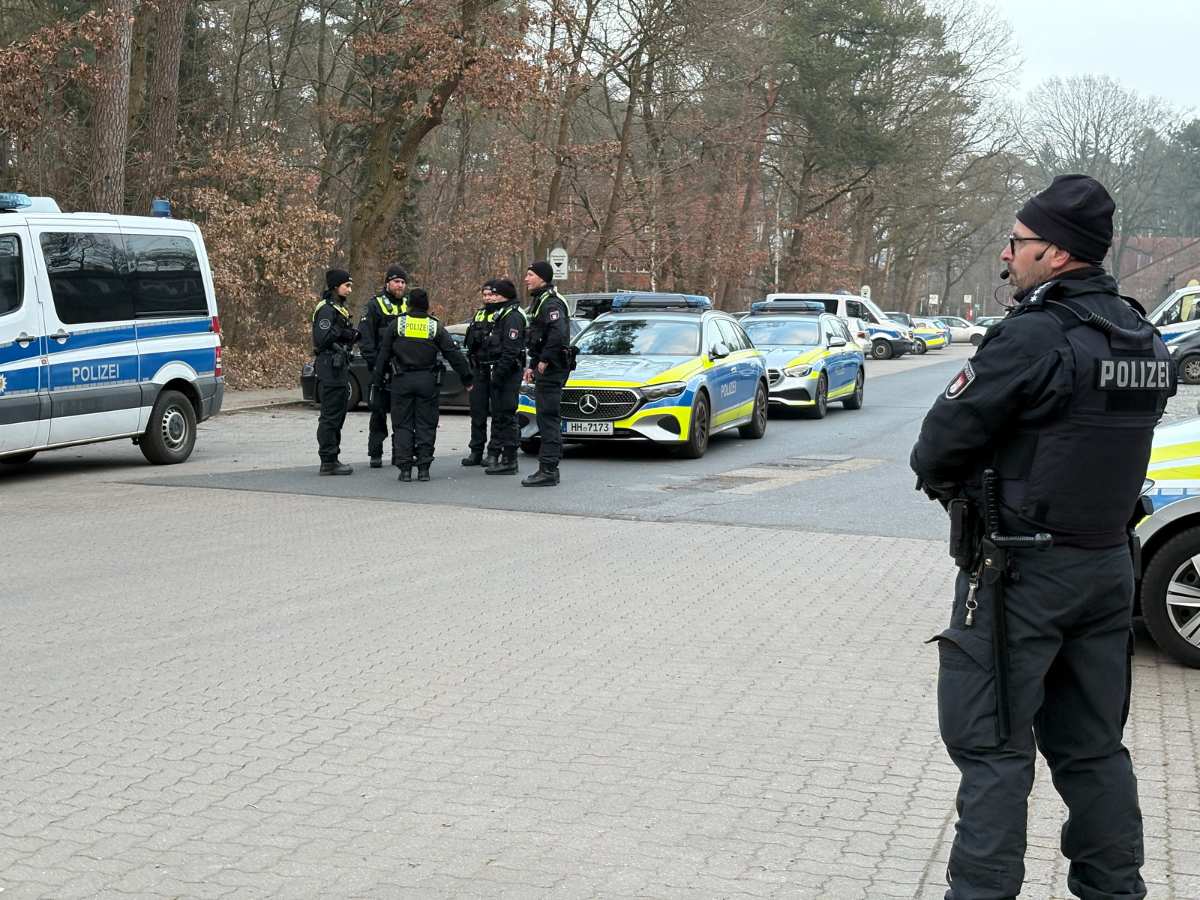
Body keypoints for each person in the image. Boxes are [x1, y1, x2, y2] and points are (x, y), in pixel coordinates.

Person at [911, 174, 1175, 900]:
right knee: (1093, 749)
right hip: (1108, 569)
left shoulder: (1033, 336)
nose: (1008, 252)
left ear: (1056, 254)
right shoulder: (1142, 337)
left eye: (1019, 241)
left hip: (1020, 577)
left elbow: (936, 448)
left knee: (994, 752)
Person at [370, 288, 472, 482]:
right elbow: (453, 354)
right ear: (427, 306)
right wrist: (467, 378)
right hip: (427, 381)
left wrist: (377, 380)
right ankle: (424, 469)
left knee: (402, 425)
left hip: (401, 380)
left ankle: (405, 469)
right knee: (426, 424)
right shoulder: (434, 327)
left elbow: (383, 355)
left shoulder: (397, 324)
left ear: (408, 304)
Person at [522, 260, 571, 487]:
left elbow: (558, 333)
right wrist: (533, 365)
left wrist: (544, 360)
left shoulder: (551, 303)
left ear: (542, 278)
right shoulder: (541, 301)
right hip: (546, 368)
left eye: (530, 275)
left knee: (548, 418)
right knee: (545, 416)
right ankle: (548, 467)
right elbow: (538, 337)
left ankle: (548, 470)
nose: (526, 278)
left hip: (553, 369)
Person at [359, 265, 408, 468]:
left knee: (401, 414)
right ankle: (376, 453)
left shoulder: (409, 305)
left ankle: (400, 453)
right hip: (380, 368)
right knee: (378, 412)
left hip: (403, 369)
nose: (400, 285)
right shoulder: (374, 305)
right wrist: (376, 365)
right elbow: (366, 338)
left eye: (403, 282)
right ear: (387, 283)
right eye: (396, 281)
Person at [312, 268, 359, 475]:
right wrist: (344, 333)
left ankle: (333, 456)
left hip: (338, 366)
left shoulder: (338, 308)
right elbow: (322, 338)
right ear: (335, 286)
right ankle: (328, 460)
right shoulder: (326, 309)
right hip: (329, 366)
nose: (349, 289)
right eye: (346, 285)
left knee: (338, 413)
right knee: (331, 415)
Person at [481, 279, 527, 475]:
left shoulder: (513, 317)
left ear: (505, 297)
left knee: (508, 416)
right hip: (501, 373)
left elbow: (511, 351)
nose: (492, 299)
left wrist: (498, 376)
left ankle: (509, 460)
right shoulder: (503, 315)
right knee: (500, 415)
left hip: (508, 374)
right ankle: (501, 456)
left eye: (496, 295)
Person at [462, 280, 499, 468]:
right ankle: (476, 451)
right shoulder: (479, 315)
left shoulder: (504, 315)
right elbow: (469, 342)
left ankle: (494, 452)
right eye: (484, 295)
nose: (487, 298)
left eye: (491, 294)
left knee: (498, 414)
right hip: (478, 369)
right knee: (477, 412)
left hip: (496, 369)